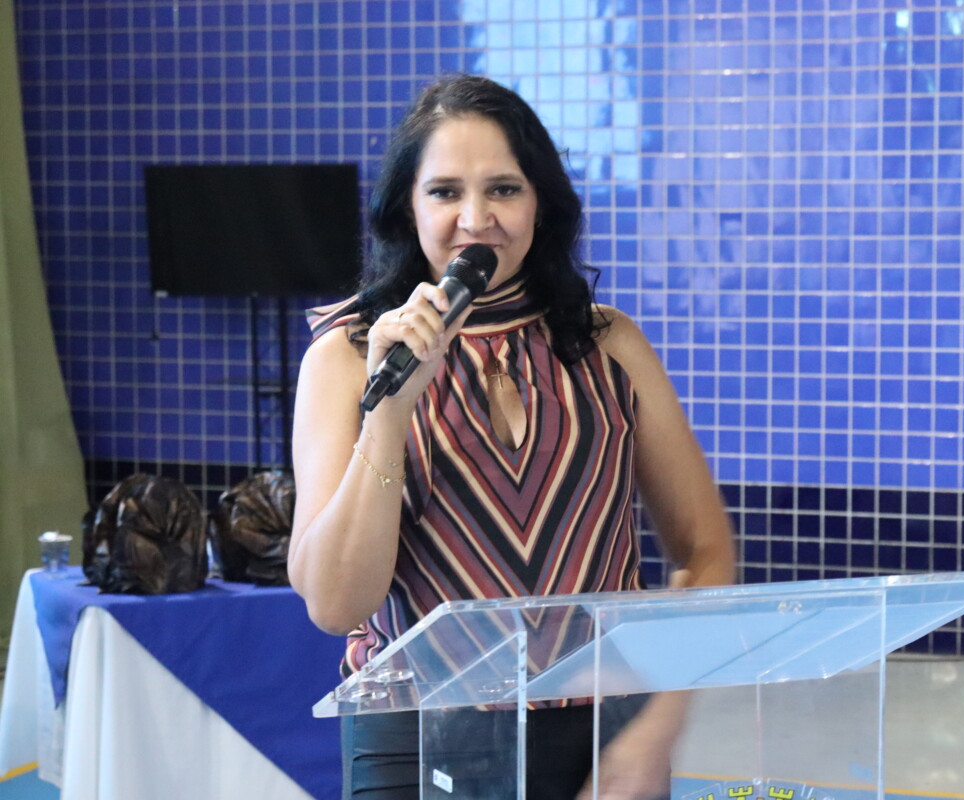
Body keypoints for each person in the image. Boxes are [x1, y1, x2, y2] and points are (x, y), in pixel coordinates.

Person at [287, 74, 736, 800]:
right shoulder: (347, 358)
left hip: (604, 742)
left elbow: (705, 549)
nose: (476, 219)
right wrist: (390, 411)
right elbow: (336, 604)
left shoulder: (610, 345)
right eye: (445, 192)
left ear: (540, 203)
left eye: (503, 189)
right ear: (407, 207)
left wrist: (657, 729)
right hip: (417, 741)